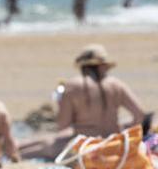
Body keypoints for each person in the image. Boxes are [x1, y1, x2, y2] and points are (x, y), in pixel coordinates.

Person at [17, 44, 147, 159]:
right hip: (111, 141)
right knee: (48, 140)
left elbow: (63, 124)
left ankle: (10, 150)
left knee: (46, 143)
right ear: (102, 66)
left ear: (83, 66)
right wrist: (122, 128)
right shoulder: (117, 85)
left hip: (84, 144)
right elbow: (139, 114)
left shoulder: (73, 86)